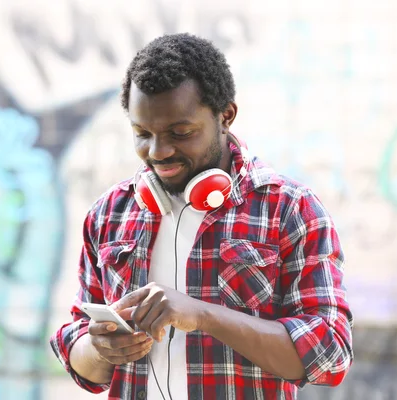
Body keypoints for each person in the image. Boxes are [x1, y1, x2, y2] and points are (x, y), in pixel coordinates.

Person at [50, 33, 353, 400]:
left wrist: (202, 315)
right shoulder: (109, 213)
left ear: (226, 116)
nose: (158, 152)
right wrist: (98, 349)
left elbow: (330, 354)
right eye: (142, 134)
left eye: (180, 133)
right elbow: (80, 359)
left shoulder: (290, 209)